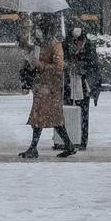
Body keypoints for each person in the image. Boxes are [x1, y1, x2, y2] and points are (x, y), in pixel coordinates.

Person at [21, 16, 74, 159]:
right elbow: (34, 53)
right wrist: (25, 46)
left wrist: (42, 65)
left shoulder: (55, 45)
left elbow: (59, 67)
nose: (37, 31)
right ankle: (68, 145)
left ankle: (34, 148)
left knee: (44, 116)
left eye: (40, 28)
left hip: (50, 88)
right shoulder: (41, 44)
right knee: (46, 117)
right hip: (41, 86)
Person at [62, 22, 100, 151]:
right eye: (76, 41)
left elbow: (93, 65)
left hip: (83, 84)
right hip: (69, 82)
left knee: (83, 114)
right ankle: (68, 140)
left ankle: (82, 140)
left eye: (79, 40)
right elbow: (61, 61)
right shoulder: (65, 46)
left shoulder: (88, 46)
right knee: (67, 111)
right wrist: (68, 66)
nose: (78, 43)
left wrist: (82, 68)